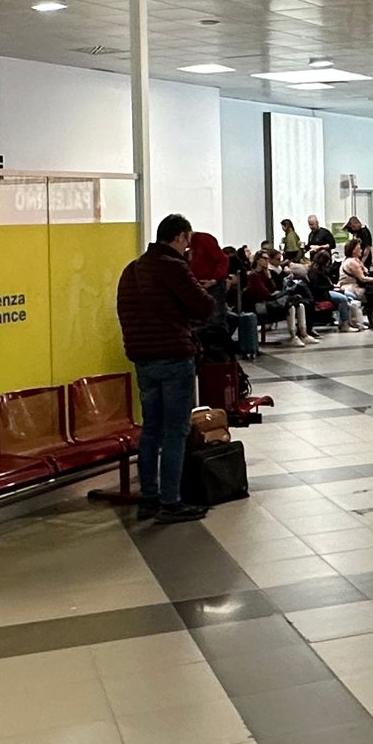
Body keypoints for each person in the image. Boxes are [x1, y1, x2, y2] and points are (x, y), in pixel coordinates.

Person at [117, 213, 215, 523]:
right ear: (181, 237)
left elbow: (127, 312)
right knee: (175, 431)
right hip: (173, 356)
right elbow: (205, 307)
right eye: (188, 241)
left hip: (143, 359)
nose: (188, 248)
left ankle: (149, 497)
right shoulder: (173, 266)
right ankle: (170, 502)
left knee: (151, 429)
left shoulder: (132, 269)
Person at [248, 251, 316, 345]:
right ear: (258, 260)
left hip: (271, 301)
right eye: (265, 259)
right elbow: (265, 293)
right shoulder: (253, 275)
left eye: (268, 259)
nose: (267, 261)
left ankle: (304, 334)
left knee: (300, 305)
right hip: (261, 304)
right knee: (290, 307)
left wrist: (269, 277)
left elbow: (273, 289)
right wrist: (276, 293)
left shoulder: (266, 273)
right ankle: (293, 336)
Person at [308, 249, 358, 330]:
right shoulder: (314, 272)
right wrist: (331, 287)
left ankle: (349, 321)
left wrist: (333, 287)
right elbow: (317, 287)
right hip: (321, 294)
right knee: (343, 299)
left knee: (350, 295)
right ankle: (345, 324)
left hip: (327, 291)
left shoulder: (321, 270)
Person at [340, 242, 373, 328]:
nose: (361, 250)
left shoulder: (354, 260)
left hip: (353, 286)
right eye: (359, 248)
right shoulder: (351, 262)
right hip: (351, 287)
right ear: (353, 250)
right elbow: (362, 278)